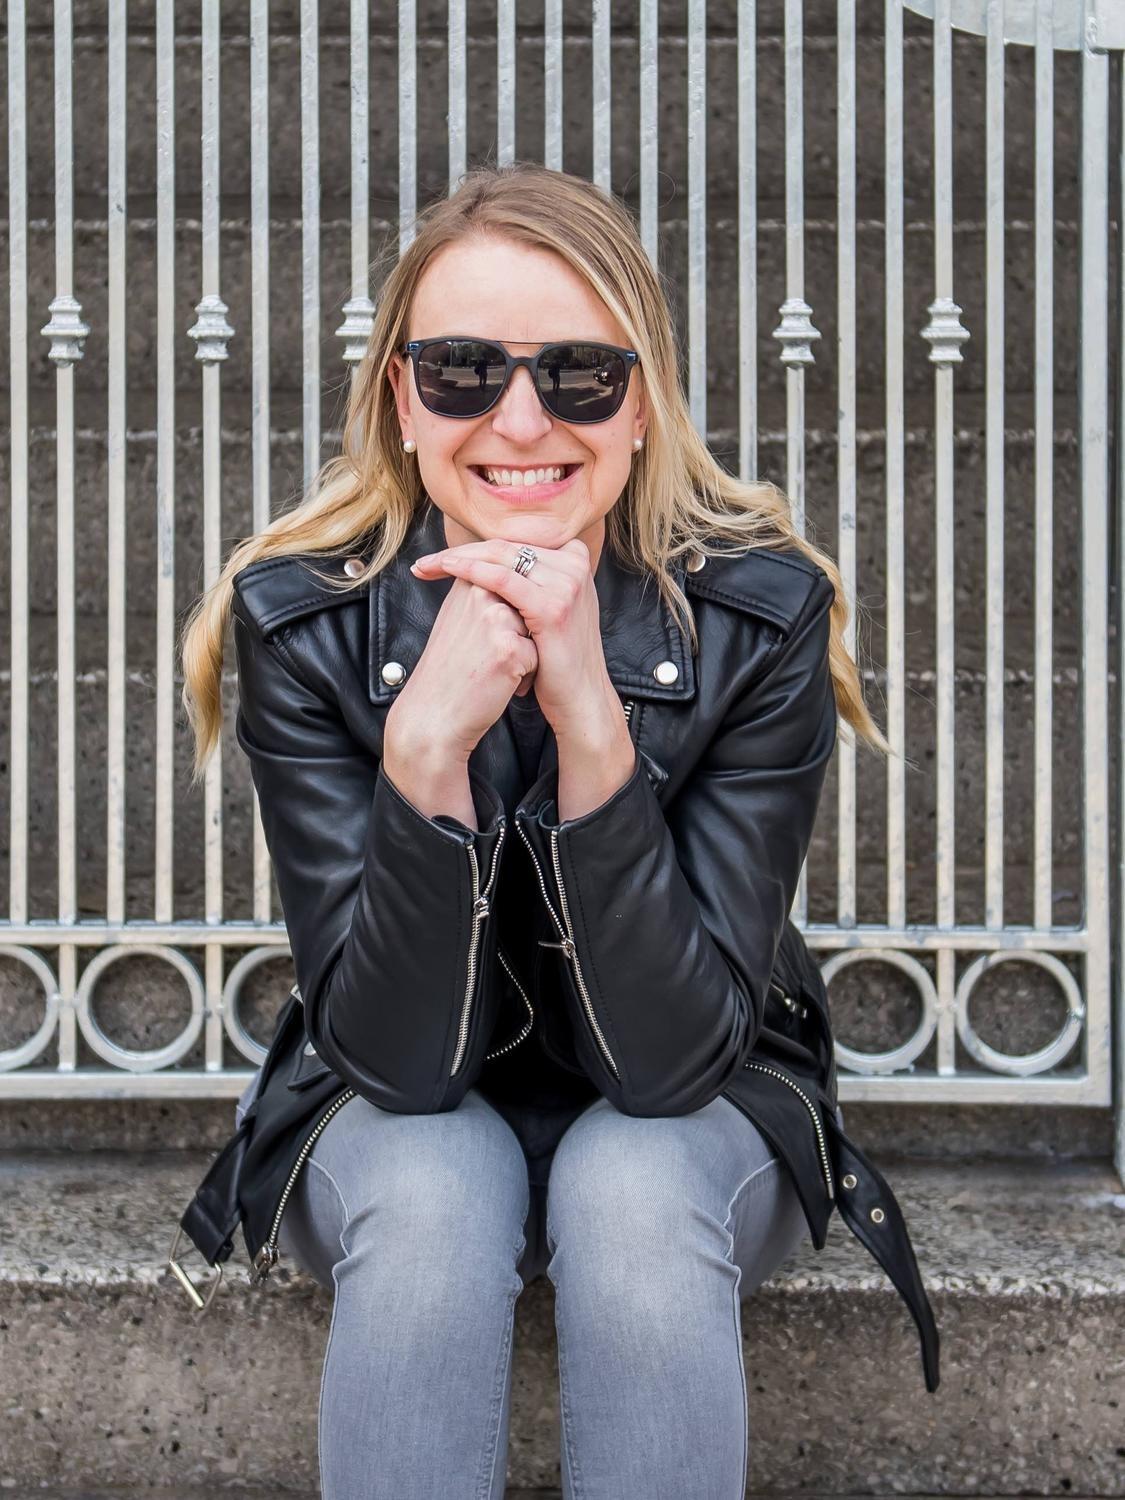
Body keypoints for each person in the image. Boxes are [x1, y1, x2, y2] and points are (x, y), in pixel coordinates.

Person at [179, 161, 896, 1500]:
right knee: (438, 1178)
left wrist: (593, 732)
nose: (521, 420)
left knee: (630, 1182)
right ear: (402, 400)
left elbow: (669, 1069)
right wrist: (423, 755)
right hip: (392, 1108)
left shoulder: (762, 619)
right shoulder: (298, 622)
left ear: (641, 404)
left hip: (697, 1106)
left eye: (579, 375)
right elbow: (401, 1067)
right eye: (463, 371)